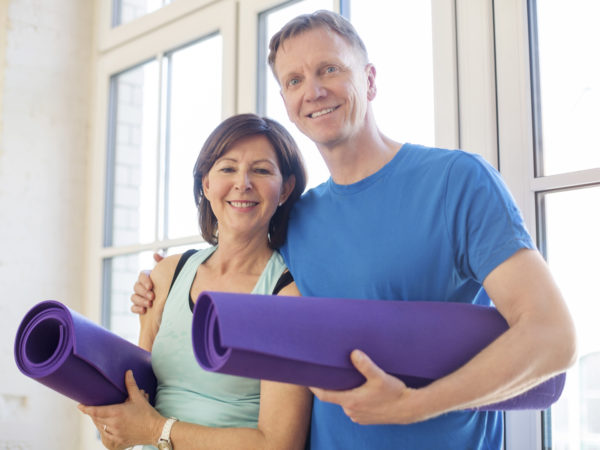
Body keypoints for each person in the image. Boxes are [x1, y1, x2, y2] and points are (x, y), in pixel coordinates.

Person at [131, 10, 577, 450]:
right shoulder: (298, 219)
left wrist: (417, 404)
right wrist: (158, 288)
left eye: (330, 68)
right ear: (286, 103)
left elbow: (552, 336)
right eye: (294, 80)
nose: (314, 90)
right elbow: (239, 258)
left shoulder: (456, 182)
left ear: (369, 80)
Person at [79, 113, 312, 450]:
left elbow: (278, 444)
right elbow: (138, 396)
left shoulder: (286, 300)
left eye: (261, 170)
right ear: (206, 183)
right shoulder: (167, 274)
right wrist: (118, 427)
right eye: (227, 168)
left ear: (285, 189)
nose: (242, 183)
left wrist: (155, 429)